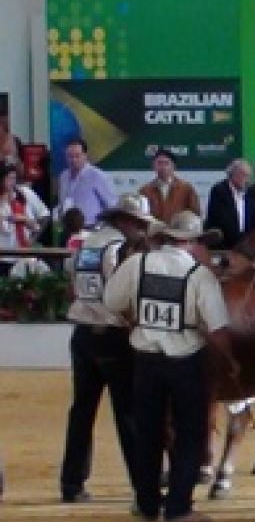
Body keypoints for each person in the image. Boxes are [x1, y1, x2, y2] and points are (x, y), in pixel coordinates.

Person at [103, 211, 239, 522]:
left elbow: (111, 301)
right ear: (192, 242)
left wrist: (134, 320)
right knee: (190, 434)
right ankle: (179, 507)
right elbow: (217, 330)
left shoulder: (138, 263)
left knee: (148, 433)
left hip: (145, 360)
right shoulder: (199, 274)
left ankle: (148, 503)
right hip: (185, 361)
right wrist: (231, 362)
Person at [59, 193, 155, 504]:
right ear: (125, 221)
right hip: (114, 334)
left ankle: (72, 484)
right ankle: (144, 486)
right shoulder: (120, 250)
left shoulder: (86, 243)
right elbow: (122, 293)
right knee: (129, 412)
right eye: (140, 224)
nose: (142, 231)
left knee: (81, 412)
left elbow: (72, 280)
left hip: (83, 333)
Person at [0, 162, 50, 274]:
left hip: (25, 255)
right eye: (8, 178)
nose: (11, 182)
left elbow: (44, 216)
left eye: (13, 178)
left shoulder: (25, 193)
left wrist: (33, 238)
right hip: (4, 257)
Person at [56, 138, 117, 228]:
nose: (73, 160)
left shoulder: (97, 176)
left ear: (85, 155)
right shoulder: (63, 176)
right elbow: (62, 202)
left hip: (91, 228)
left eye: (77, 156)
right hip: (67, 228)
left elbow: (112, 205)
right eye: (70, 156)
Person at [138, 149, 201, 223]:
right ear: (154, 166)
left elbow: (195, 214)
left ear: (173, 166)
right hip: (155, 232)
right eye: (159, 163)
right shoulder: (145, 191)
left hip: (179, 232)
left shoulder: (186, 188)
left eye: (166, 163)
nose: (163, 167)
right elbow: (140, 216)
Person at [204, 158, 253, 249]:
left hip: (244, 245)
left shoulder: (248, 192)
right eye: (245, 176)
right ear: (234, 174)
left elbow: (252, 216)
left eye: (249, 176)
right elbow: (221, 219)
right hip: (223, 245)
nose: (248, 180)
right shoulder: (219, 190)